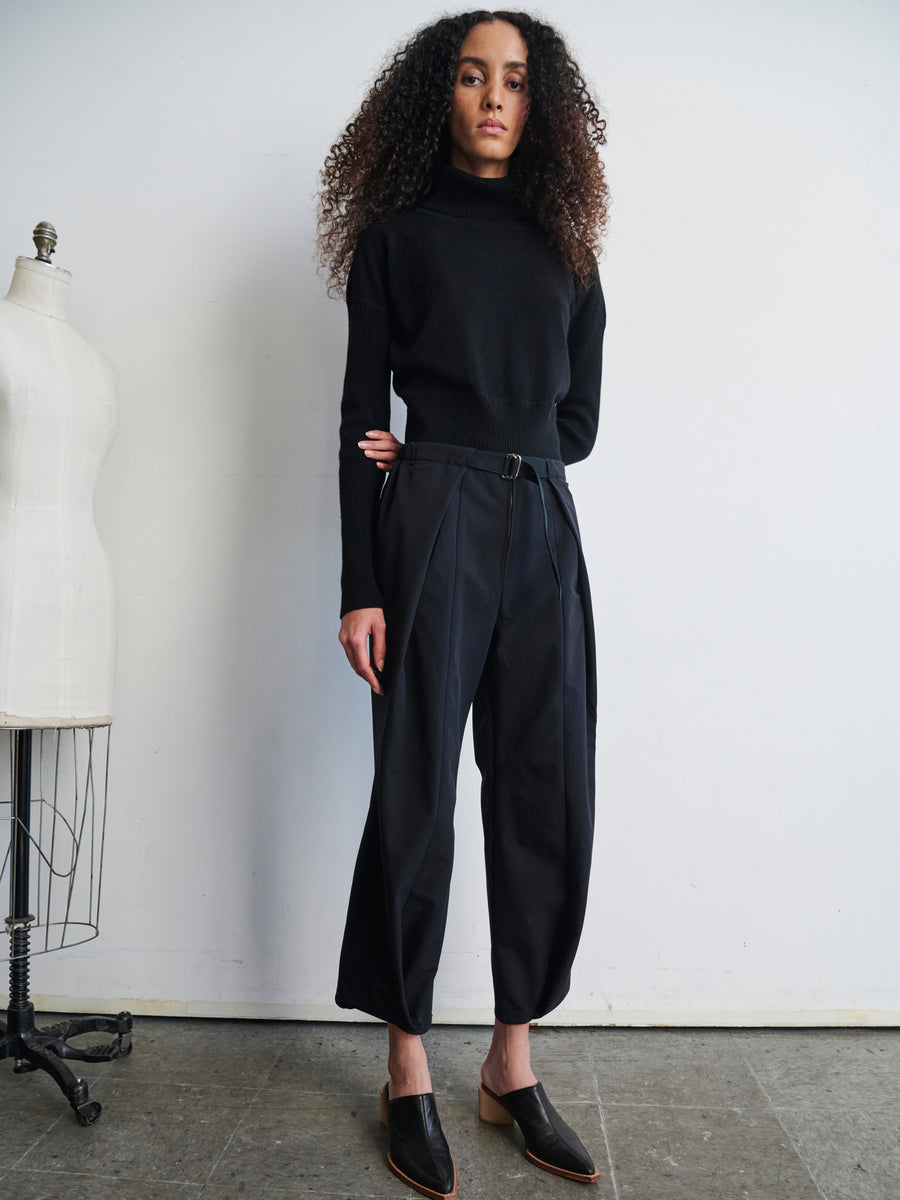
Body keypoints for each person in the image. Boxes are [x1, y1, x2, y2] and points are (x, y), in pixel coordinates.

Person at [318, 11, 609, 1198]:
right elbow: (356, 418)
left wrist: (490, 445)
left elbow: (579, 425)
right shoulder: (396, 240)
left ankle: (509, 1063)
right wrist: (365, 581)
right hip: (431, 523)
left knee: (545, 791)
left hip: (539, 524)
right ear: (438, 94)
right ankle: (405, 1067)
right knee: (417, 795)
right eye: (475, 77)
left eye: (519, 82)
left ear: (542, 107)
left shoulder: (569, 250)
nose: (496, 98)